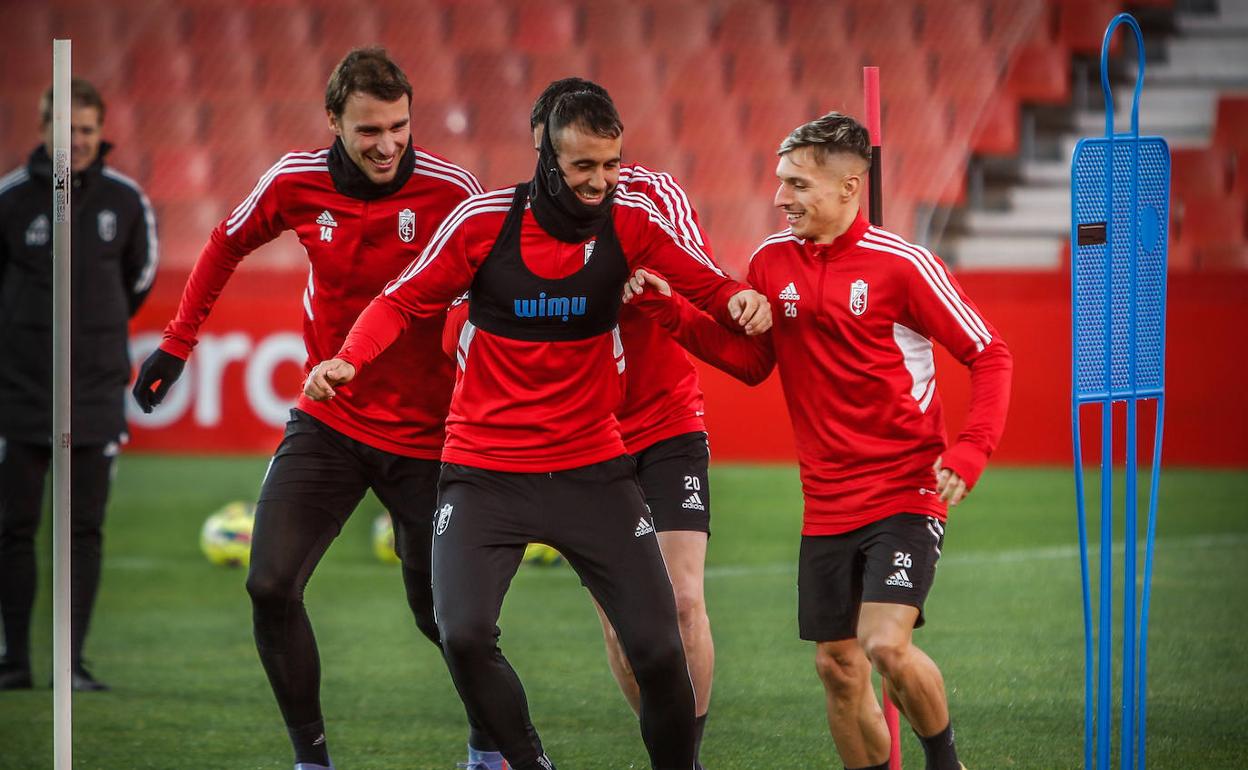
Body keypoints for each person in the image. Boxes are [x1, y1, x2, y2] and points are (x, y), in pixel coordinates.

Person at [305, 90, 770, 770]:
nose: (600, 181)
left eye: (610, 165)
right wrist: (348, 357)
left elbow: (704, 284)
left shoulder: (634, 219)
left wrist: (740, 299)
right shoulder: (482, 222)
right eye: (585, 166)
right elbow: (403, 299)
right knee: (459, 633)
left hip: (592, 465)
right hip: (484, 469)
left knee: (663, 642)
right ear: (545, 156)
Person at [624, 112, 1012, 770]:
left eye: (799, 184)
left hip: (905, 490)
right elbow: (751, 364)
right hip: (826, 503)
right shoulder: (771, 263)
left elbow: (990, 353)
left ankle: (946, 762)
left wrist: (971, 449)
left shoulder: (905, 266)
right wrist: (670, 312)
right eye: (781, 182)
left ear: (850, 187)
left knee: (885, 646)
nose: (781, 198)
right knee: (837, 667)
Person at [129, 48, 481, 770]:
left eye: (399, 127)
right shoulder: (294, 182)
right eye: (368, 130)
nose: (388, 144)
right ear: (333, 121)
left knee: (443, 617)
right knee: (269, 583)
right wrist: (176, 343)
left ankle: (490, 747)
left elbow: (486, 285)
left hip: (429, 435)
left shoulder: (453, 190)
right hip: (332, 417)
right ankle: (310, 760)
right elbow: (224, 245)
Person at [440, 77, 719, 770]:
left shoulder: (651, 202)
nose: (571, 183)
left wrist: (647, 287)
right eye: (554, 163)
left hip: (662, 418)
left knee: (681, 604)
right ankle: (658, 738)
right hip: (588, 436)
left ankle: (689, 757)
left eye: (598, 164)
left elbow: (702, 280)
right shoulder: (517, 221)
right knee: (625, 628)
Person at [0, 78, 158, 692]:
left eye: (89, 130)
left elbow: (139, 278)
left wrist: (96, 330)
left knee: (83, 528)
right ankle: (15, 661)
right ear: (44, 131)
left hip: (92, 389)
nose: (81, 142)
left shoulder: (124, 201)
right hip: (18, 389)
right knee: (14, 526)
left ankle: (71, 662)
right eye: (69, 131)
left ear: (100, 132)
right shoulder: (11, 199)